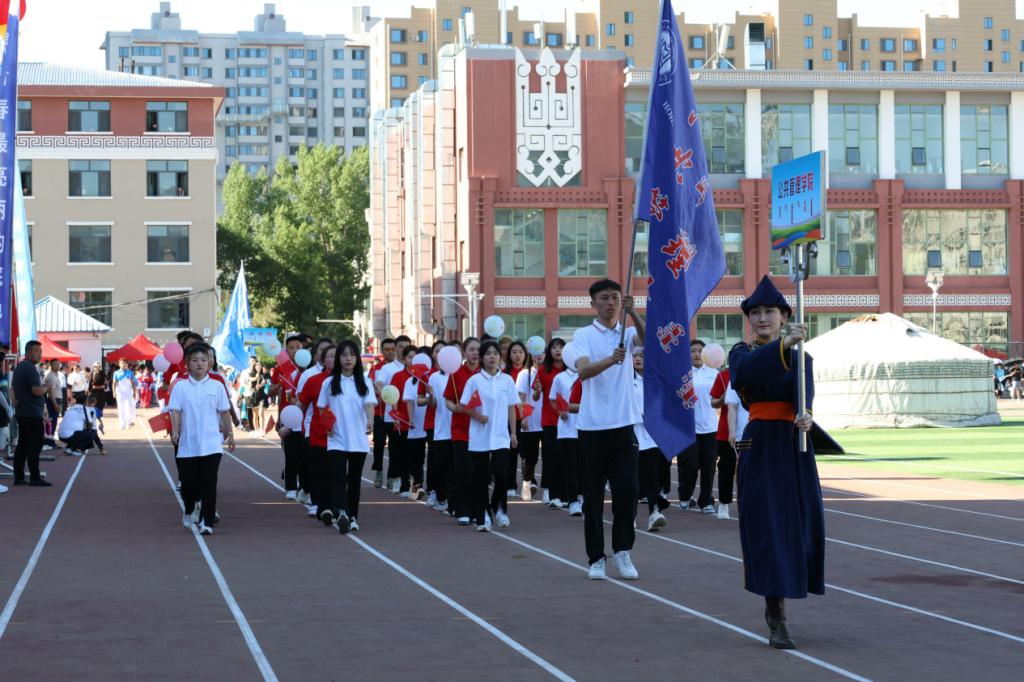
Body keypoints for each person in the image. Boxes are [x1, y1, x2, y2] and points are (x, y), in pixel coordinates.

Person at [728, 275, 824, 650]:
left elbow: (805, 398)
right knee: (767, 527)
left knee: (800, 523)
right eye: (756, 313)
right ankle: (776, 614)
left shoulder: (802, 358)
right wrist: (784, 345)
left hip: (795, 445)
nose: (762, 318)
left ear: (784, 316)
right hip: (758, 445)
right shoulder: (741, 353)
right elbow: (746, 374)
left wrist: (807, 416)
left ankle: (791, 590)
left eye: (770, 311)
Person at [573, 279, 645, 580]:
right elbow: (583, 371)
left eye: (615, 297)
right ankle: (596, 558)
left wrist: (635, 312)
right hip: (592, 427)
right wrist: (610, 360)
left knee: (627, 491)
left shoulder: (627, 332)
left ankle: (622, 550)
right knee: (592, 497)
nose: (611, 303)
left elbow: (649, 341)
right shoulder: (583, 335)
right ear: (593, 304)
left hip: (623, 424)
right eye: (604, 298)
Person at [169, 343, 236, 536]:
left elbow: (225, 412)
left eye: (203, 360)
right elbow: (175, 410)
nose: (199, 363)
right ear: (187, 364)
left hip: (211, 445)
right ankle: (190, 509)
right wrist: (175, 430)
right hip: (188, 445)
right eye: (195, 360)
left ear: (209, 363)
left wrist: (230, 434)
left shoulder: (217, 386)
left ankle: (207, 521)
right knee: (188, 485)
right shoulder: (180, 387)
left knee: (209, 484)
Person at [459, 340, 520, 531]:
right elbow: (464, 406)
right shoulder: (474, 380)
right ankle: (483, 516)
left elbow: (511, 408)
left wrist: (513, 433)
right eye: (487, 354)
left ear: (500, 357)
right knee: (481, 478)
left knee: (502, 474)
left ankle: (499, 508)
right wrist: (477, 416)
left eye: (495, 353)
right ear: (482, 358)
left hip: (501, 436)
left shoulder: (507, 380)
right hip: (480, 436)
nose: (492, 357)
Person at [317, 340, 377, 533]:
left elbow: (369, 404)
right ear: (338, 359)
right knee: (338, 478)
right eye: (344, 355)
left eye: (352, 354)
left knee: (355, 480)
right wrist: (327, 426)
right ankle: (342, 512)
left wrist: (370, 420)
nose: (348, 358)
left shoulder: (364, 382)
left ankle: (353, 517)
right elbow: (321, 407)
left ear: (357, 358)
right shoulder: (329, 383)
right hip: (337, 438)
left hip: (358, 439)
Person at [676, 339, 720, 514]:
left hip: (710, 427)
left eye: (700, 351)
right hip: (688, 428)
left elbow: (719, 398)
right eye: (693, 351)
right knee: (690, 464)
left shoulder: (713, 373)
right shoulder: (681, 373)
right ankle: (685, 495)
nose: (697, 354)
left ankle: (706, 501)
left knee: (709, 466)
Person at [444, 338, 480, 525]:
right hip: (461, 430)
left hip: (481, 430)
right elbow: (448, 400)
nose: (475, 353)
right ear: (464, 353)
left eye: (478, 350)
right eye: (471, 349)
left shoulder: (486, 374)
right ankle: (462, 509)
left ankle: (477, 509)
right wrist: (454, 408)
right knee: (464, 469)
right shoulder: (456, 373)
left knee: (478, 471)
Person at [632, 348, 669, 531]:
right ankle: (629, 515)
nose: (638, 359)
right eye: (635, 356)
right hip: (631, 434)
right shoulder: (625, 381)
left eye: (642, 356)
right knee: (632, 478)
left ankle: (654, 513)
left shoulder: (655, 380)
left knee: (652, 477)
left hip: (652, 436)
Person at [298, 343, 336, 521]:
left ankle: (334, 505)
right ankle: (319, 504)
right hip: (318, 433)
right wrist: (288, 425)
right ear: (322, 359)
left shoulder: (351, 382)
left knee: (336, 472)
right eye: (330, 356)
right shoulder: (313, 380)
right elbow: (301, 405)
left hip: (341, 435)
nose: (335, 359)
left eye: (338, 355)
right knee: (319, 471)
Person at [12, 340, 52, 487]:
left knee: (22, 446)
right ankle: (35, 477)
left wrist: (15, 401)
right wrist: (46, 387)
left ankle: (19, 477)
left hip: (24, 412)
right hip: (31, 413)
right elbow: (36, 391)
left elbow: (12, 389)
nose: (40, 354)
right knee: (34, 446)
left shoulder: (20, 367)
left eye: (41, 352)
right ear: (28, 352)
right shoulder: (29, 368)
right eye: (37, 351)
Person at [269, 334, 304, 500]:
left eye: (298, 347)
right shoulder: (281, 369)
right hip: (287, 415)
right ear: (286, 350)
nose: (295, 350)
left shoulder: (308, 368)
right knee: (290, 453)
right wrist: (279, 385)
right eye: (291, 348)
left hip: (305, 415)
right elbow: (271, 391)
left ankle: (304, 485)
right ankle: (291, 486)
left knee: (305, 453)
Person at [549, 351, 583, 516]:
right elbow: (552, 399)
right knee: (571, 467)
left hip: (585, 427)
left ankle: (582, 496)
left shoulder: (586, 375)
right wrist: (560, 411)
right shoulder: (560, 378)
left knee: (584, 466)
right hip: (566, 429)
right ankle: (573, 501)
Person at [534, 338, 565, 506]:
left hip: (568, 420)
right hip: (550, 419)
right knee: (550, 456)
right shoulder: (543, 370)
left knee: (565, 457)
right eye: (554, 347)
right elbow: (535, 396)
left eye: (560, 347)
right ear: (549, 351)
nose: (557, 350)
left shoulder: (571, 369)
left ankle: (565, 493)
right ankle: (548, 490)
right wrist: (538, 391)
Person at [387, 345, 419, 497]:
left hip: (418, 422)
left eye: (415, 357)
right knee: (403, 455)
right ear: (404, 359)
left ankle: (417, 485)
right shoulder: (398, 376)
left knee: (416, 457)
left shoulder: (422, 377)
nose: (413, 360)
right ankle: (404, 485)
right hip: (403, 421)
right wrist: (395, 417)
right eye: (410, 357)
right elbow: (393, 397)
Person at [424, 346, 453, 512]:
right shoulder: (434, 377)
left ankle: (452, 498)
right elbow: (433, 404)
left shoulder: (459, 375)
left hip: (459, 428)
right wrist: (431, 396)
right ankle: (441, 496)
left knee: (454, 466)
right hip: (441, 428)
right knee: (440, 464)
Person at [501, 340, 529, 503]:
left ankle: (529, 481)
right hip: (510, 418)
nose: (517, 355)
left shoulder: (530, 373)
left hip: (528, 419)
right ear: (509, 355)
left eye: (520, 352)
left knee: (527, 453)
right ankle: (510, 484)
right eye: (514, 352)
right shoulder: (504, 374)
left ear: (525, 354)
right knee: (511, 453)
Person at [515, 348, 544, 501]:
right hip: (531, 421)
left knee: (550, 456)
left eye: (542, 352)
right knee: (530, 456)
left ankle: (548, 488)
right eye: (536, 352)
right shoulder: (524, 374)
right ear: (531, 355)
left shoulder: (549, 373)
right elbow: (521, 397)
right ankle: (527, 482)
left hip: (548, 421)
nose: (539, 355)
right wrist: (523, 416)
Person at [369, 337, 397, 487]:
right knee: (379, 442)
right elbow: (371, 387)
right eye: (387, 349)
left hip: (395, 413)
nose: (390, 352)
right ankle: (378, 470)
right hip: (379, 413)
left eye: (393, 349)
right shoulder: (376, 369)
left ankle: (392, 475)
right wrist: (376, 397)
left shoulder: (400, 367)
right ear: (382, 351)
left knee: (394, 445)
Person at [722, 378, 748, 521]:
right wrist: (731, 432)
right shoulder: (736, 378)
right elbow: (732, 407)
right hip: (743, 435)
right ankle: (744, 504)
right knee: (744, 470)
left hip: (765, 434)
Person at [113, 359, 138, 430]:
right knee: (121, 408)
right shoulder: (116, 373)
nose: (123, 364)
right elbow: (114, 383)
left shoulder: (130, 372)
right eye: (122, 363)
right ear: (119, 364)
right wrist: (114, 392)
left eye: (125, 363)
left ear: (127, 365)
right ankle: (122, 424)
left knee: (129, 407)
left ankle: (128, 423)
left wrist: (134, 392)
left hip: (129, 392)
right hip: (120, 392)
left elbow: (133, 383)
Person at [44, 360, 63, 436]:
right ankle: (50, 437)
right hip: (53, 400)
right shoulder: (51, 376)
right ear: (51, 365)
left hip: (55, 400)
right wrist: (55, 404)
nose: (58, 366)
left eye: (59, 364)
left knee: (53, 420)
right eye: (56, 364)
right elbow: (50, 392)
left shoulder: (55, 375)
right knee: (52, 420)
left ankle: (50, 437)